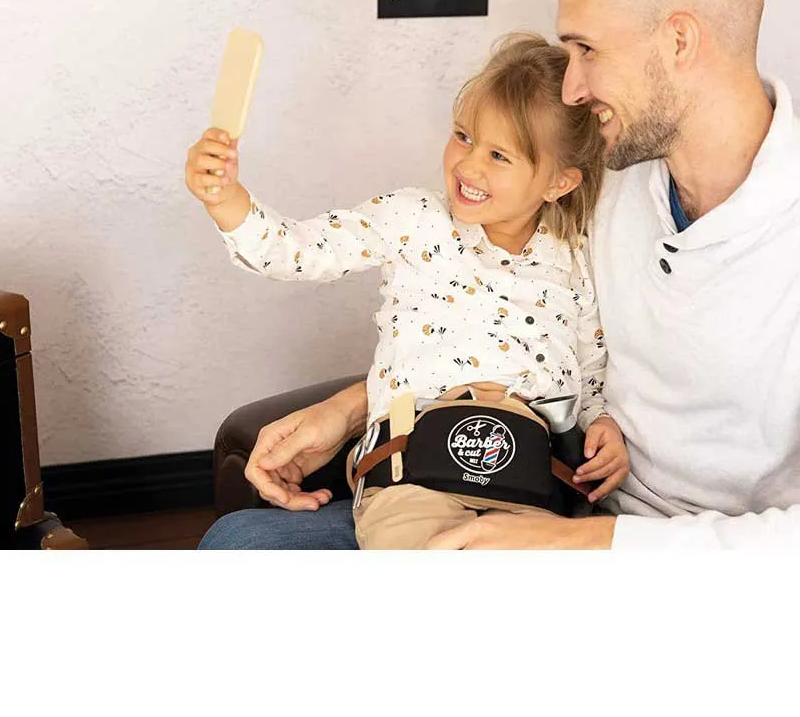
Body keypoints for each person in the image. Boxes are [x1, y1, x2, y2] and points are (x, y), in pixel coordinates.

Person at [199, 0, 800, 551]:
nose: (571, 88)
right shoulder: (607, 182)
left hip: (671, 553)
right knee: (240, 543)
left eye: (586, 50)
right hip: (539, 494)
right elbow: (499, 316)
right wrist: (352, 410)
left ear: (678, 41)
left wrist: (575, 548)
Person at [188, 34, 629, 549]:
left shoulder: (573, 258)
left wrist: (601, 423)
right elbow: (298, 251)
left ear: (559, 183)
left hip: (530, 479)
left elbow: (588, 367)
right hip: (411, 472)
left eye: (499, 155)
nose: (469, 166)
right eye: (463, 136)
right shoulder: (414, 219)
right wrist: (225, 199)